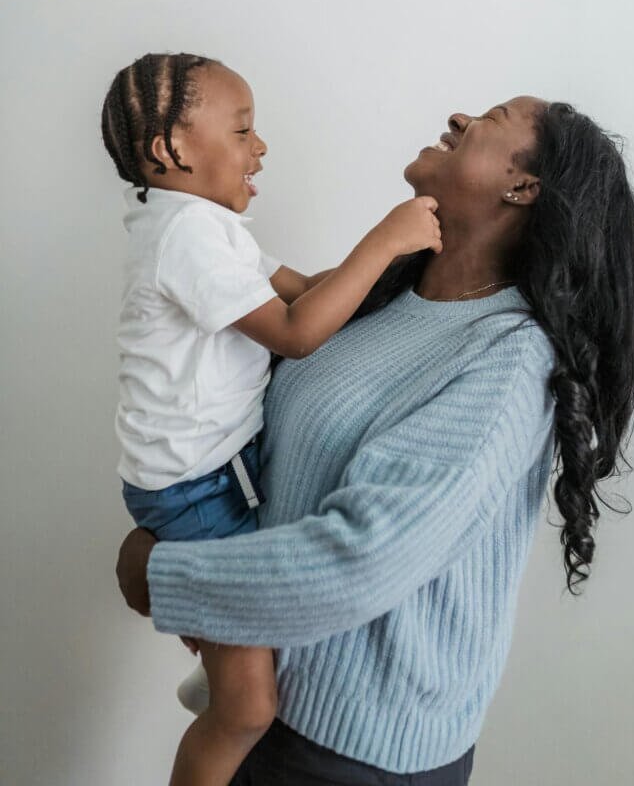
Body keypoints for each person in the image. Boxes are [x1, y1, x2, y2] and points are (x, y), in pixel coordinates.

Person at [116, 95, 634, 785]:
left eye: (489, 117)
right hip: (271, 705)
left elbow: (357, 560)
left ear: (521, 187)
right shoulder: (386, 297)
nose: (458, 117)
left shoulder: (507, 360)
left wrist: (161, 575)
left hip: (352, 752)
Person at [101, 51, 442, 786]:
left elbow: (307, 288)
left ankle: (226, 660)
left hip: (221, 466)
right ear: (172, 149)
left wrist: (402, 266)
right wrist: (384, 238)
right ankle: (225, 690)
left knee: (277, 611)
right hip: (198, 485)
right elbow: (293, 329)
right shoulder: (186, 234)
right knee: (249, 712)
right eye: (244, 130)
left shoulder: (208, 226)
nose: (261, 148)